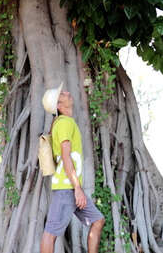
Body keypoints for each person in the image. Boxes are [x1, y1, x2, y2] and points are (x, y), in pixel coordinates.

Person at [40, 82, 105, 253]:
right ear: (59, 106)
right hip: (66, 189)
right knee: (50, 233)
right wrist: (77, 188)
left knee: (97, 220)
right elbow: (65, 156)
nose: (67, 92)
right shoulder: (64, 123)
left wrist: (77, 188)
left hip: (71, 189)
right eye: (62, 94)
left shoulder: (65, 122)